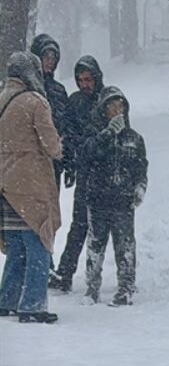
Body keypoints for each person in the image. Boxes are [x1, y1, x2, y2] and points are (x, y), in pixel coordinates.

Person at [0, 53, 63, 323]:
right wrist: (60, 145)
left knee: (16, 247)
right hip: (30, 185)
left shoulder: (1, 98)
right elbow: (52, 147)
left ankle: (7, 300)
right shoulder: (35, 102)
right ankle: (33, 305)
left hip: (4, 185)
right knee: (39, 242)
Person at [78, 87, 147, 306]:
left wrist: (140, 188)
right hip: (98, 200)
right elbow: (86, 156)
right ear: (103, 110)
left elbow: (140, 168)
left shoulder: (134, 139)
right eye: (112, 107)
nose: (117, 111)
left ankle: (126, 288)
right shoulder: (94, 134)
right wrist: (107, 134)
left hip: (123, 202)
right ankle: (91, 289)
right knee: (95, 246)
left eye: (120, 106)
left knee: (125, 246)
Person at [48, 55, 105, 294]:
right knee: (80, 224)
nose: (85, 84)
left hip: (106, 173)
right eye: (80, 80)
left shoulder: (108, 99)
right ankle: (65, 271)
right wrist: (71, 163)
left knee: (110, 226)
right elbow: (69, 137)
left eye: (88, 79)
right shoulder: (75, 102)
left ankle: (123, 278)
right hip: (85, 172)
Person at [30, 34, 69, 182]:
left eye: (53, 58)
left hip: (54, 161)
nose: (49, 61)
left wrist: (67, 160)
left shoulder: (59, 90)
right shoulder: (28, 88)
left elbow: (66, 126)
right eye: (45, 56)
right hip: (31, 162)